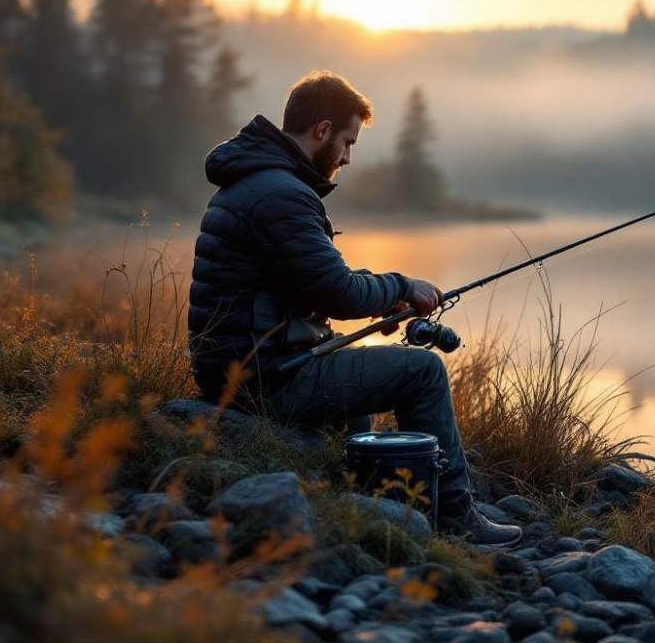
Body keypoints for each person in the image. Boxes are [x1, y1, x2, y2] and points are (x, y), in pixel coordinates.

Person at [187, 69, 521, 546]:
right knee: (422, 372)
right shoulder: (282, 194)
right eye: (346, 143)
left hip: (239, 366)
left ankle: (370, 507)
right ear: (321, 130)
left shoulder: (257, 181)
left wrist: (387, 296)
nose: (346, 157)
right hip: (263, 378)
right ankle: (454, 515)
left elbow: (306, 281)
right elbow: (336, 292)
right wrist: (402, 283)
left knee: (356, 414)